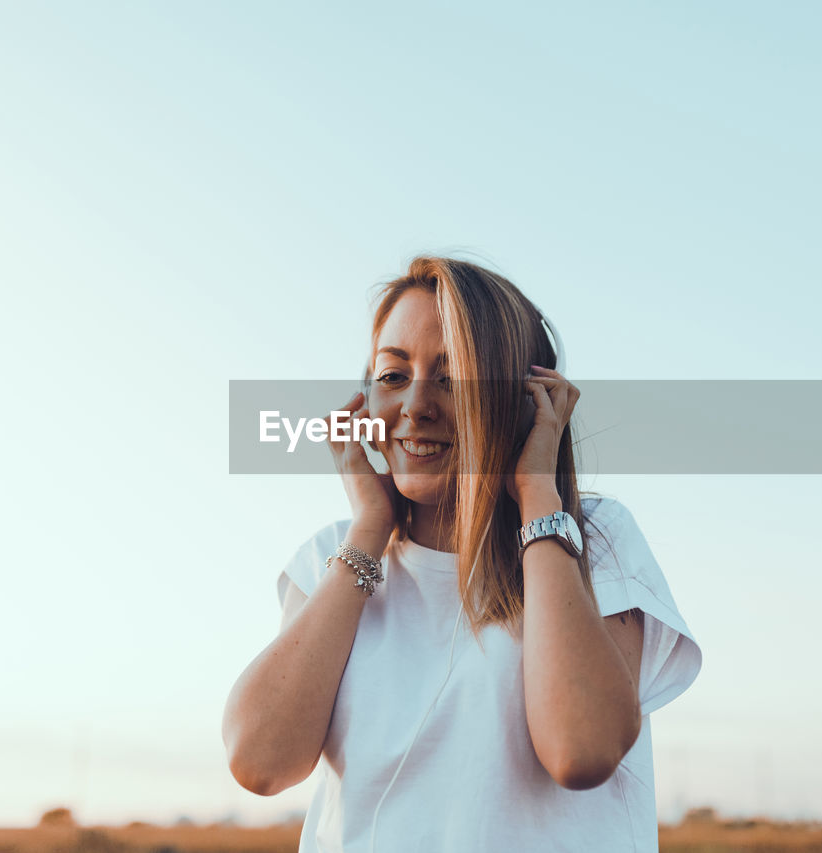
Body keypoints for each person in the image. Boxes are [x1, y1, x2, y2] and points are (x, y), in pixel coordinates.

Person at [222, 256, 702, 852]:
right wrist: (370, 528)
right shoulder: (331, 554)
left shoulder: (593, 539)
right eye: (393, 376)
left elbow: (581, 750)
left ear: (528, 403)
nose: (416, 406)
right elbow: (260, 762)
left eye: (453, 380)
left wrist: (536, 495)